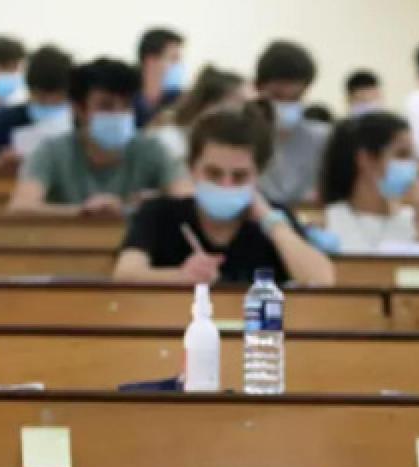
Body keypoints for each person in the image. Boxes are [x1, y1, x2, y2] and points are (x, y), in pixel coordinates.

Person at [114, 106, 335, 286]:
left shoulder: (274, 219)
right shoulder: (158, 213)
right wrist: (180, 276)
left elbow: (322, 280)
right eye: (213, 173)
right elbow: (125, 274)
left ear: (258, 175)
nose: (225, 184)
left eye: (239, 176)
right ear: (192, 168)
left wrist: (272, 222)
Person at [9, 58, 190, 216]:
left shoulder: (152, 149)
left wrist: (158, 203)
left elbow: (187, 199)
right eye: (106, 106)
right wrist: (83, 212)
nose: (118, 114)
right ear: (79, 109)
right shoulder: (51, 151)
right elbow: (20, 208)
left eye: (126, 106)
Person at [319, 112, 419, 253]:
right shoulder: (327, 222)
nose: (413, 165)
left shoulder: (416, 219)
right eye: (402, 155)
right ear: (366, 159)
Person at [0, 45, 73, 173]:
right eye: (41, 98)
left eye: (56, 100)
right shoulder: (2, 120)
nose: (48, 103)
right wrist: (0, 162)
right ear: (29, 90)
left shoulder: (81, 122)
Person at [254, 40, 330, 206]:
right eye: (278, 97)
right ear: (258, 89)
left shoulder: (321, 138)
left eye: (295, 98)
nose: (286, 105)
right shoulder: (239, 136)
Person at [150, 65, 246, 161]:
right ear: (210, 105)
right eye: (238, 101)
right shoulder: (168, 140)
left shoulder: (216, 144)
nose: (241, 110)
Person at [135, 28, 186, 127]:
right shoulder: (125, 101)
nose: (179, 66)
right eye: (173, 59)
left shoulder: (179, 101)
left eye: (179, 60)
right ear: (151, 61)